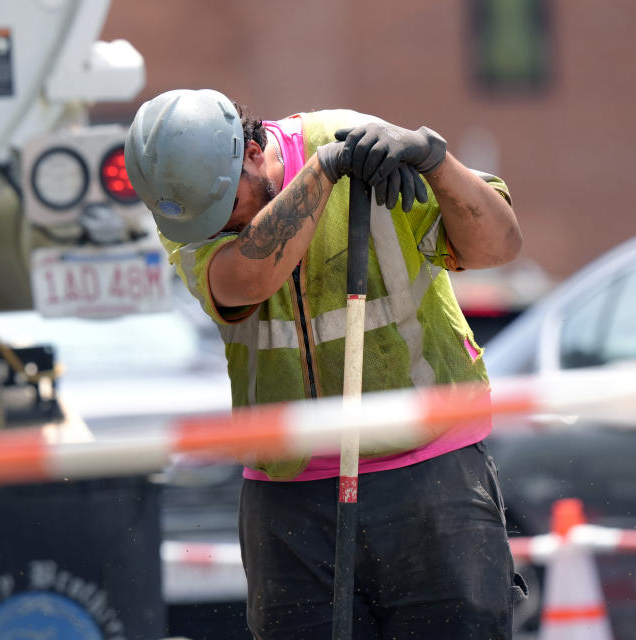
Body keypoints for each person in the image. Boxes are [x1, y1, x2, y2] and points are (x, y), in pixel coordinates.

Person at [124, 88, 527, 639]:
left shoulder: (354, 136)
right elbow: (245, 278)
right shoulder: (190, 209)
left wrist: (433, 160)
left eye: (229, 211)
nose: (221, 228)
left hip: (430, 475)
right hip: (291, 498)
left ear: (248, 151)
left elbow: (499, 246)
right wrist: (324, 172)